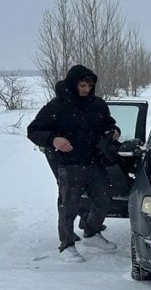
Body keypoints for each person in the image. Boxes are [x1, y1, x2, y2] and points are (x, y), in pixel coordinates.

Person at [26, 65, 121, 261]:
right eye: (83, 85)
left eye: (90, 86)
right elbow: (33, 130)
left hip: (94, 161)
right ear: (73, 84)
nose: (87, 89)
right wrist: (54, 140)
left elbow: (109, 124)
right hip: (68, 163)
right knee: (68, 205)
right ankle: (67, 245)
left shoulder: (98, 105)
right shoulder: (57, 106)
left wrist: (114, 132)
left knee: (104, 199)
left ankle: (91, 233)